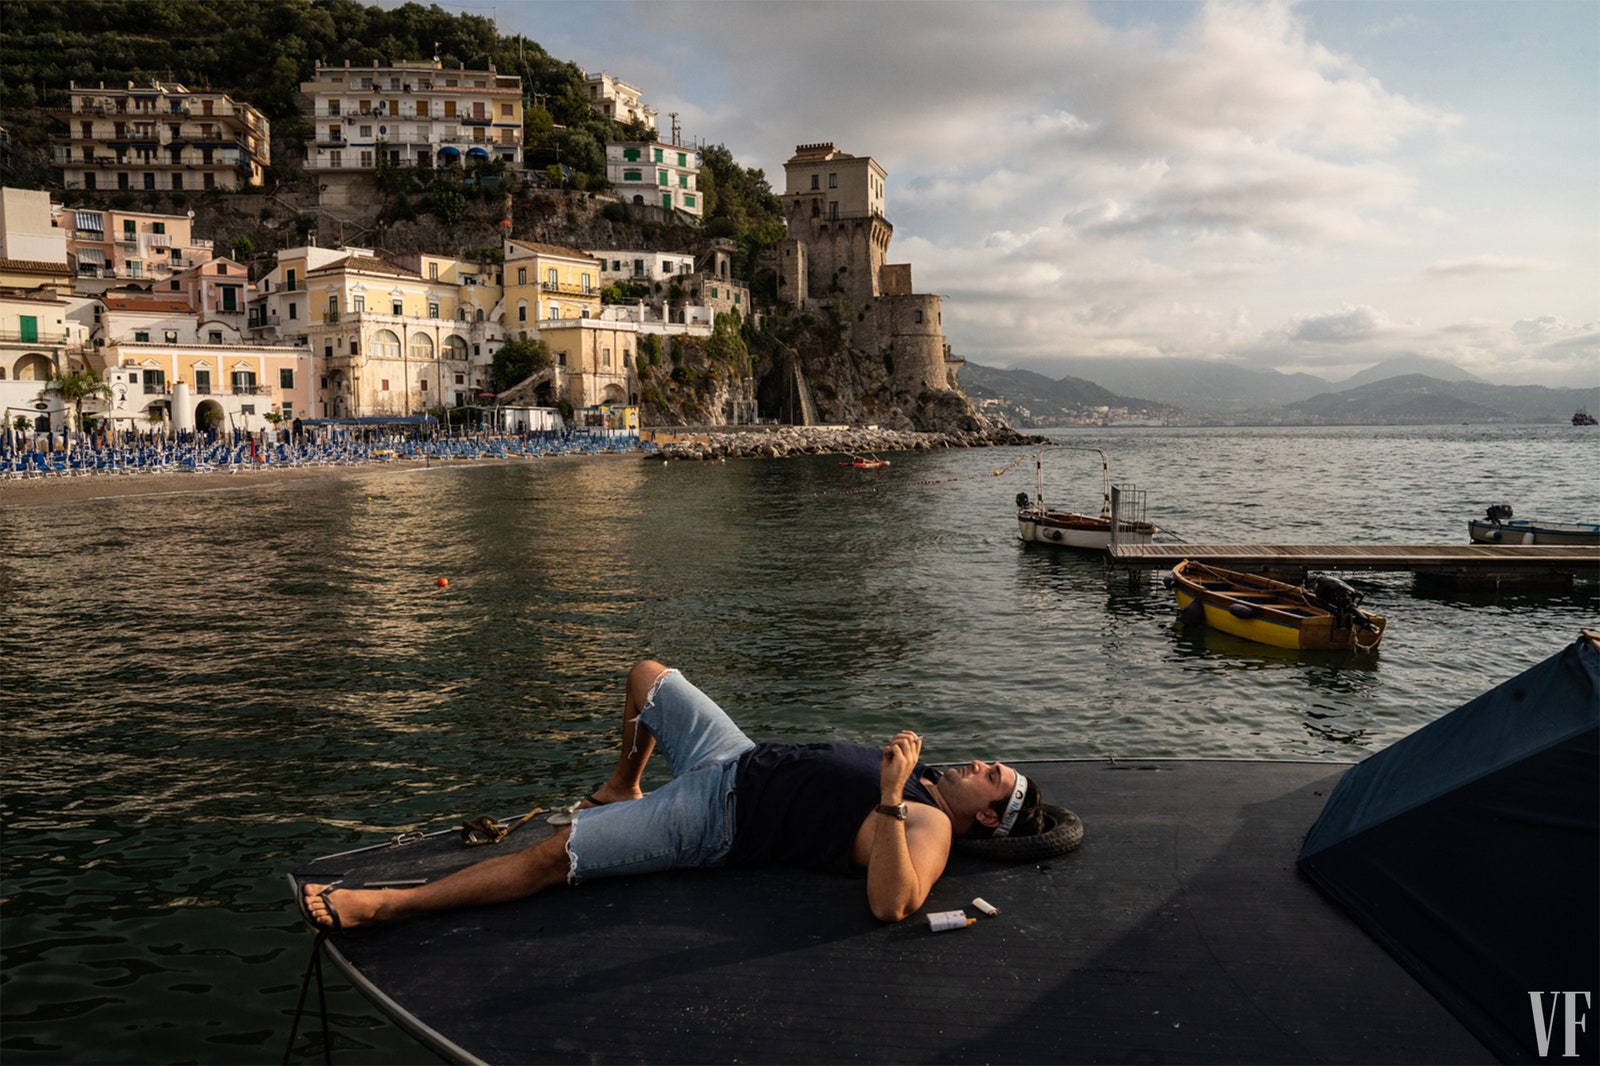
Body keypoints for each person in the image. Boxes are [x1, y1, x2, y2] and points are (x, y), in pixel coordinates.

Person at [301, 660, 1046, 930]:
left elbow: (895, 903)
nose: (977, 762)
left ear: (985, 815)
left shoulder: (926, 823)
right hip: (735, 756)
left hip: (715, 821)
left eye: (990, 775)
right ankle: (624, 779)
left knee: (556, 856)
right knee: (647, 676)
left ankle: (391, 905)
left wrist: (887, 797)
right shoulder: (924, 779)